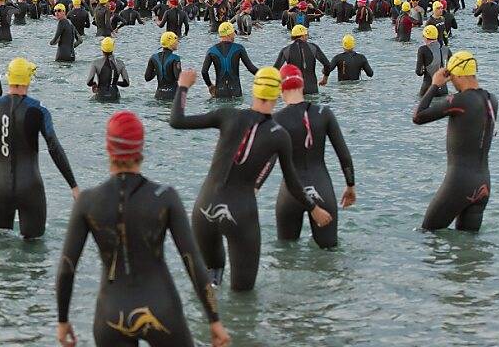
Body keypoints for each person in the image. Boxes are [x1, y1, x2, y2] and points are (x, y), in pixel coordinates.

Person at [55, 111, 230, 347]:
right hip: (161, 310)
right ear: (141, 149)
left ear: (108, 148)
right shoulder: (165, 198)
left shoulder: (87, 201)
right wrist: (214, 320)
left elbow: (67, 267)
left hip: (111, 315)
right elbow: (192, 261)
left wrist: (63, 320)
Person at [170, 67, 332, 290]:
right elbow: (293, 183)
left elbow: (177, 120)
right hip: (240, 214)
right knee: (243, 296)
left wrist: (183, 86)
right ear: (277, 94)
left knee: (211, 283)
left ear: (253, 91)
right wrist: (314, 208)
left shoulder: (227, 115)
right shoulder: (279, 135)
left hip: (204, 209)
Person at [0, 57, 79, 240]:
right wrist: (73, 185)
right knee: (34, 251)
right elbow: (54, 146)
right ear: (29, 79)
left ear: (9, 78)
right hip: (31, 188)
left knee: (1, 250)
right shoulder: (38, 109)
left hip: (0, 188)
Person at [270, 65, 356, 249]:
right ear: (302, 86)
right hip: (322, 190)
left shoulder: (275, 120)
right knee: (330, 255)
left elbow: (266, 162)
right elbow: (344, 155)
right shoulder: (324, 114)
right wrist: (350, 186)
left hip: (289, 196)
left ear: (281, 90)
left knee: (286, 258)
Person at [412, 51, 497, 231]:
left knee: (426, 234)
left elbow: (418, 116)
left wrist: (435, 85)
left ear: (457, 74)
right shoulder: (491, 100)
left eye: (451, 77)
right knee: (469, 249)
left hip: (459, 183)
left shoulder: (460, 101)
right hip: (483, 185)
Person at [202, 22, 258, 99]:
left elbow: (204, 71)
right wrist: (267, 76)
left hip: (220, 93)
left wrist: (210, 86)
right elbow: (251, 68)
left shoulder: (211, 51)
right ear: (229, 34)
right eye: (233, 33)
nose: (234, 35)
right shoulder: (239, 48)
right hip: (236, 92)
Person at [273, 25, 331, 95]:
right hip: (312, 90)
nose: (307, 37)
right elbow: (327, 64)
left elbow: (274, 70)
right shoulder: (313, 47)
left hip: (295, 92)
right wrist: (325, 79)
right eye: (306, 35)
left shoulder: (285, 50)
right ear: (302, 36)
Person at [86, 37, 130, 102]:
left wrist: (94, 83)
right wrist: (114, 83)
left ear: (102, 48)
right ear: (113, 48)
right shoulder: (120, 63)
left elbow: (89, 82)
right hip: (115, 95)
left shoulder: (95, 63)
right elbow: (126, 83)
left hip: (101, 94)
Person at [145, 32, 182, 101]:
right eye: (176, 41)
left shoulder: (153, 57)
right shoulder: (175, 58)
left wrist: (157, 70)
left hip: (159, 94)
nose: (177, 43)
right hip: (173, 95)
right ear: (171, 43)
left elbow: (147, 78)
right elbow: (179, 78)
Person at [416, 25, 450, 97]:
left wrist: (425, 69)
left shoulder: (422, 49)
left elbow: (418, 72)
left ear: (425, 37)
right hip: (443, 90)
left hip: (427, 89)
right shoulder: (446, 49)